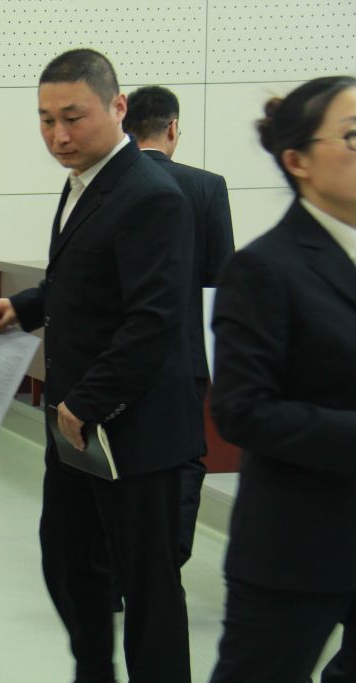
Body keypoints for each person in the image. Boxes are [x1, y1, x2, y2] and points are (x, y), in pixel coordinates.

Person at [0, 49, 199, 682]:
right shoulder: (84, 180)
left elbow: (153, 321)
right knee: (68, 561)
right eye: (46, 119)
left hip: (134, 429)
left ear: (118, 107)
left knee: (146, 587)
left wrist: (87, 403)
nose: (58, 135)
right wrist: (25, 307)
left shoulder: (151, 195)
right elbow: (85, 279)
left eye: (73, 117)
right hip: (77, 425)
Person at [208, 75, 356, 683]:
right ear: (298, 161)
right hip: (300, 543)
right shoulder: (264, 268)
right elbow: (242, 409)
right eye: (354, 137)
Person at [123, 85, 236, 567]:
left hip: (117, 354)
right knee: (184, 459)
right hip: (183, 353)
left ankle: (119, 568)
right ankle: (169, 563)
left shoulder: (108, 185)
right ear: (172, 127)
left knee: (122, 460)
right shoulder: (206, 187)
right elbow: (220, 275)